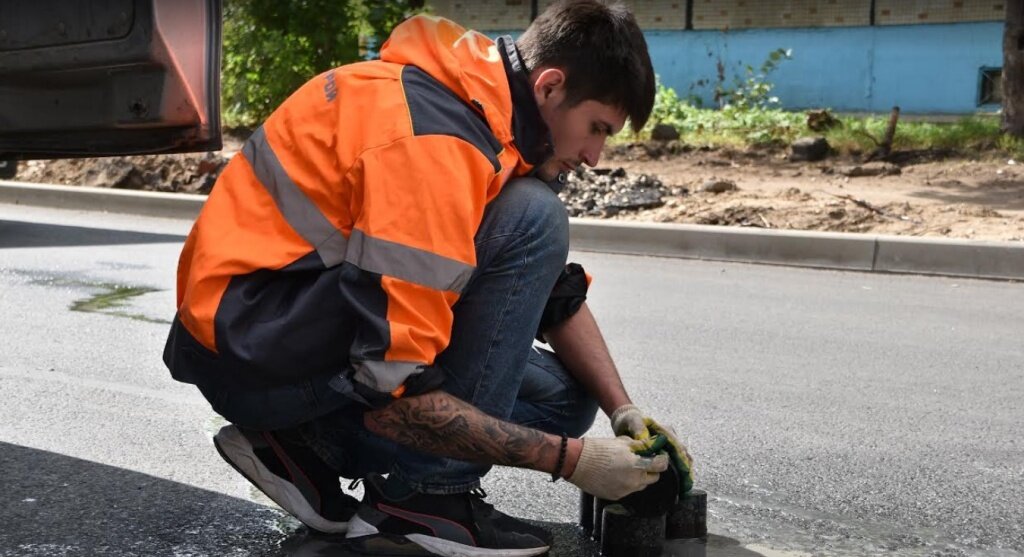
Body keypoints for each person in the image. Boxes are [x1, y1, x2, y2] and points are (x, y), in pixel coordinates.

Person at [163, 1, 690, 555]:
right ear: (551, 88)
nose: (594, 157)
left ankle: (307, 448)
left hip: (281, 329)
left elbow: (550, 296)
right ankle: (425, 502)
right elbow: (396, 386)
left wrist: (623, 411)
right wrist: (572, 461)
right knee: (535, 216)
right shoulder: (434, 144)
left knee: (564, 402)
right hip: (253, 357)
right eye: (596, 129)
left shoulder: (481, 111)